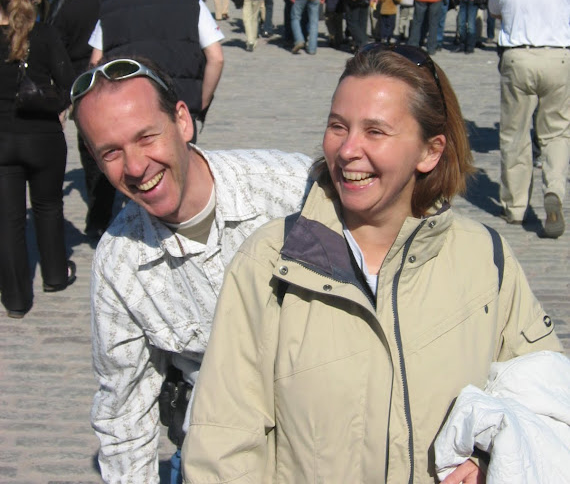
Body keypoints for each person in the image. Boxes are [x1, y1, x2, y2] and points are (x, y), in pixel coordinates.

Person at [181, 43, 562, 484]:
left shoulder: (487, 259)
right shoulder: (268, 263)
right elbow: (222, 446)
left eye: (375, 131)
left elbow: (544, 397)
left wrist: (491, 456)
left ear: (430, 151)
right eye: (338, 126)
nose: (347, 150)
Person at [71, 56, 312, 484]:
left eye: (146, 137)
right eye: (111, 152)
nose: (135, 167)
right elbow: (125, 411)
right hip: (216, 460)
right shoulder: (118, 262)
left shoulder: (291, 189)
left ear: (183, 121)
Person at [89, 0, 224, 126]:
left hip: (129, 110)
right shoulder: (193, 3)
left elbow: (95, 62)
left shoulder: (112, 6)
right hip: (179, 110)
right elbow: (216, 58)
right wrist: (201, 101)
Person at [0, 0, 76, 319]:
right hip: (43, 136)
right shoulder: (45, 34)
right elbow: (68, 82)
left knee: (9, 219)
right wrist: (57, 107)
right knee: (48, 206)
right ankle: (56, 275)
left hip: (3, 139)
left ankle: (15, 297)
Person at [488, 0, 570, 236]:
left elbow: (495, 10)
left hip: (518, 56)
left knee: (515, 133)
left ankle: (516, 205)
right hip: (559, 56)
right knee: (557, 132)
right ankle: (554, 190)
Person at [53, 0, 118, 239]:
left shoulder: (71, 7)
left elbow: (57, 51)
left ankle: (98, 211)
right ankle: (107, 207)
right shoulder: (121, 5)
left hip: (82, 86)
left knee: (92, 151)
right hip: (118, 83)